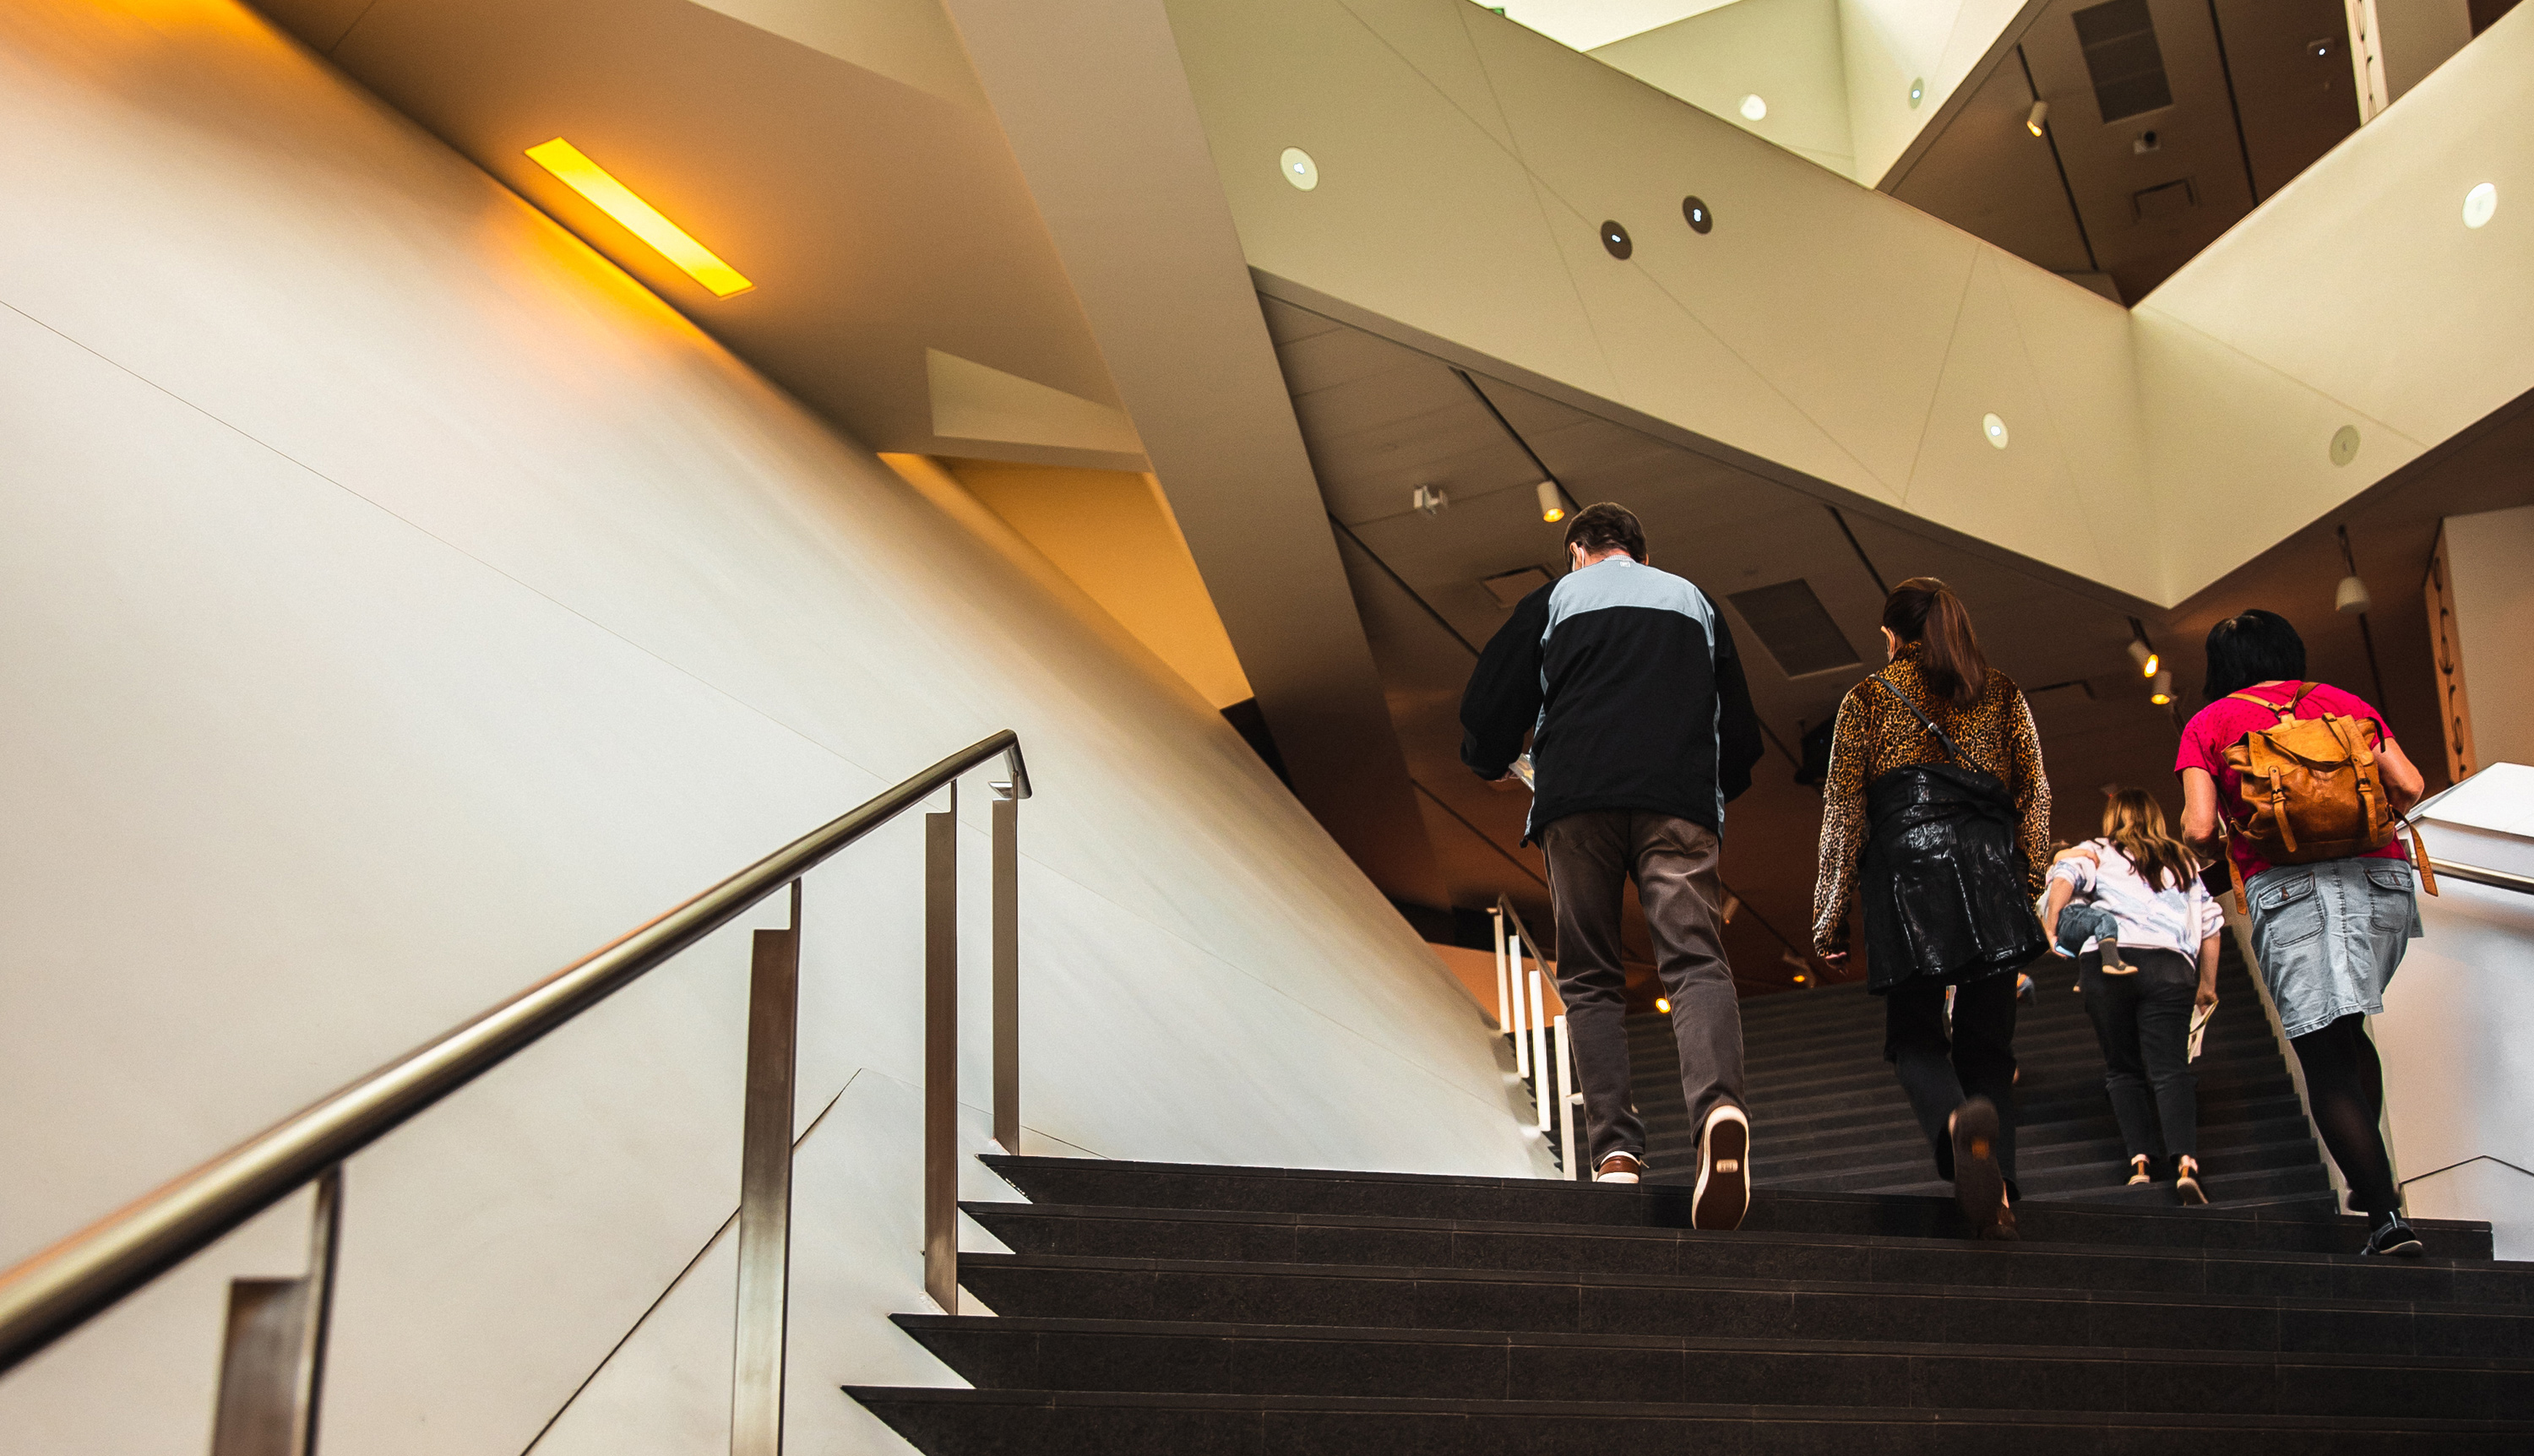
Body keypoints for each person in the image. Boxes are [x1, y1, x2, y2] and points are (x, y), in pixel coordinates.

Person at [1460, 502, 1765, 1228]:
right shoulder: (1694, 601)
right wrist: (1706, 790)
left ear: (1577, 551)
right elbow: (1744, 737)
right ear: (1640, 553)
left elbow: (1487, 703)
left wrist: (1494, 757)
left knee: (1592, 977)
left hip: (1578, 802)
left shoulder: (1556, 599)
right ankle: (1719, 1109)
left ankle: (1616, 1155)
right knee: (1695, 962)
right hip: (1677, 804)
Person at [2175, 610, 2428, 1256]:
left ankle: (2384, 1217)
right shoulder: (2344, 703)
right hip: (2383, 884)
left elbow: (2201, 828)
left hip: (2290, 890)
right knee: (2348, 1031)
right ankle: (2371, 1177)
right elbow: (2410, 785)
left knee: (2321, 1052)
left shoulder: (2207, 726)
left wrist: (2221, 880)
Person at [1813, 579, 2048, 1239]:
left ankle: (1953, 1126)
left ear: (1892, 635)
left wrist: (1830, 915)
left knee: (1915, 1034)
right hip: (1990, 869)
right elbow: (2036, 795)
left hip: (1907, 871)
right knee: (1989, 1046)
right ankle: (1996, 1188)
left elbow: (1842, 812)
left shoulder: (1866, 698)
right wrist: (2023, 887)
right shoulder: (2001, 692)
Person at [2042, 790, 2224, 1203]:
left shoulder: (2095, 850)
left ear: (2112, 818)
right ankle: (2186, 1165)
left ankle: (2139, 1165)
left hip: (2109, 966)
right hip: (2170, 967)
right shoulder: (2182, 861)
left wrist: (2052, 925)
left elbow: (2065, 875)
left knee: (2123, 1068)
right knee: (2171, 1069)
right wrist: (2207, 985)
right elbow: (2212, 926)